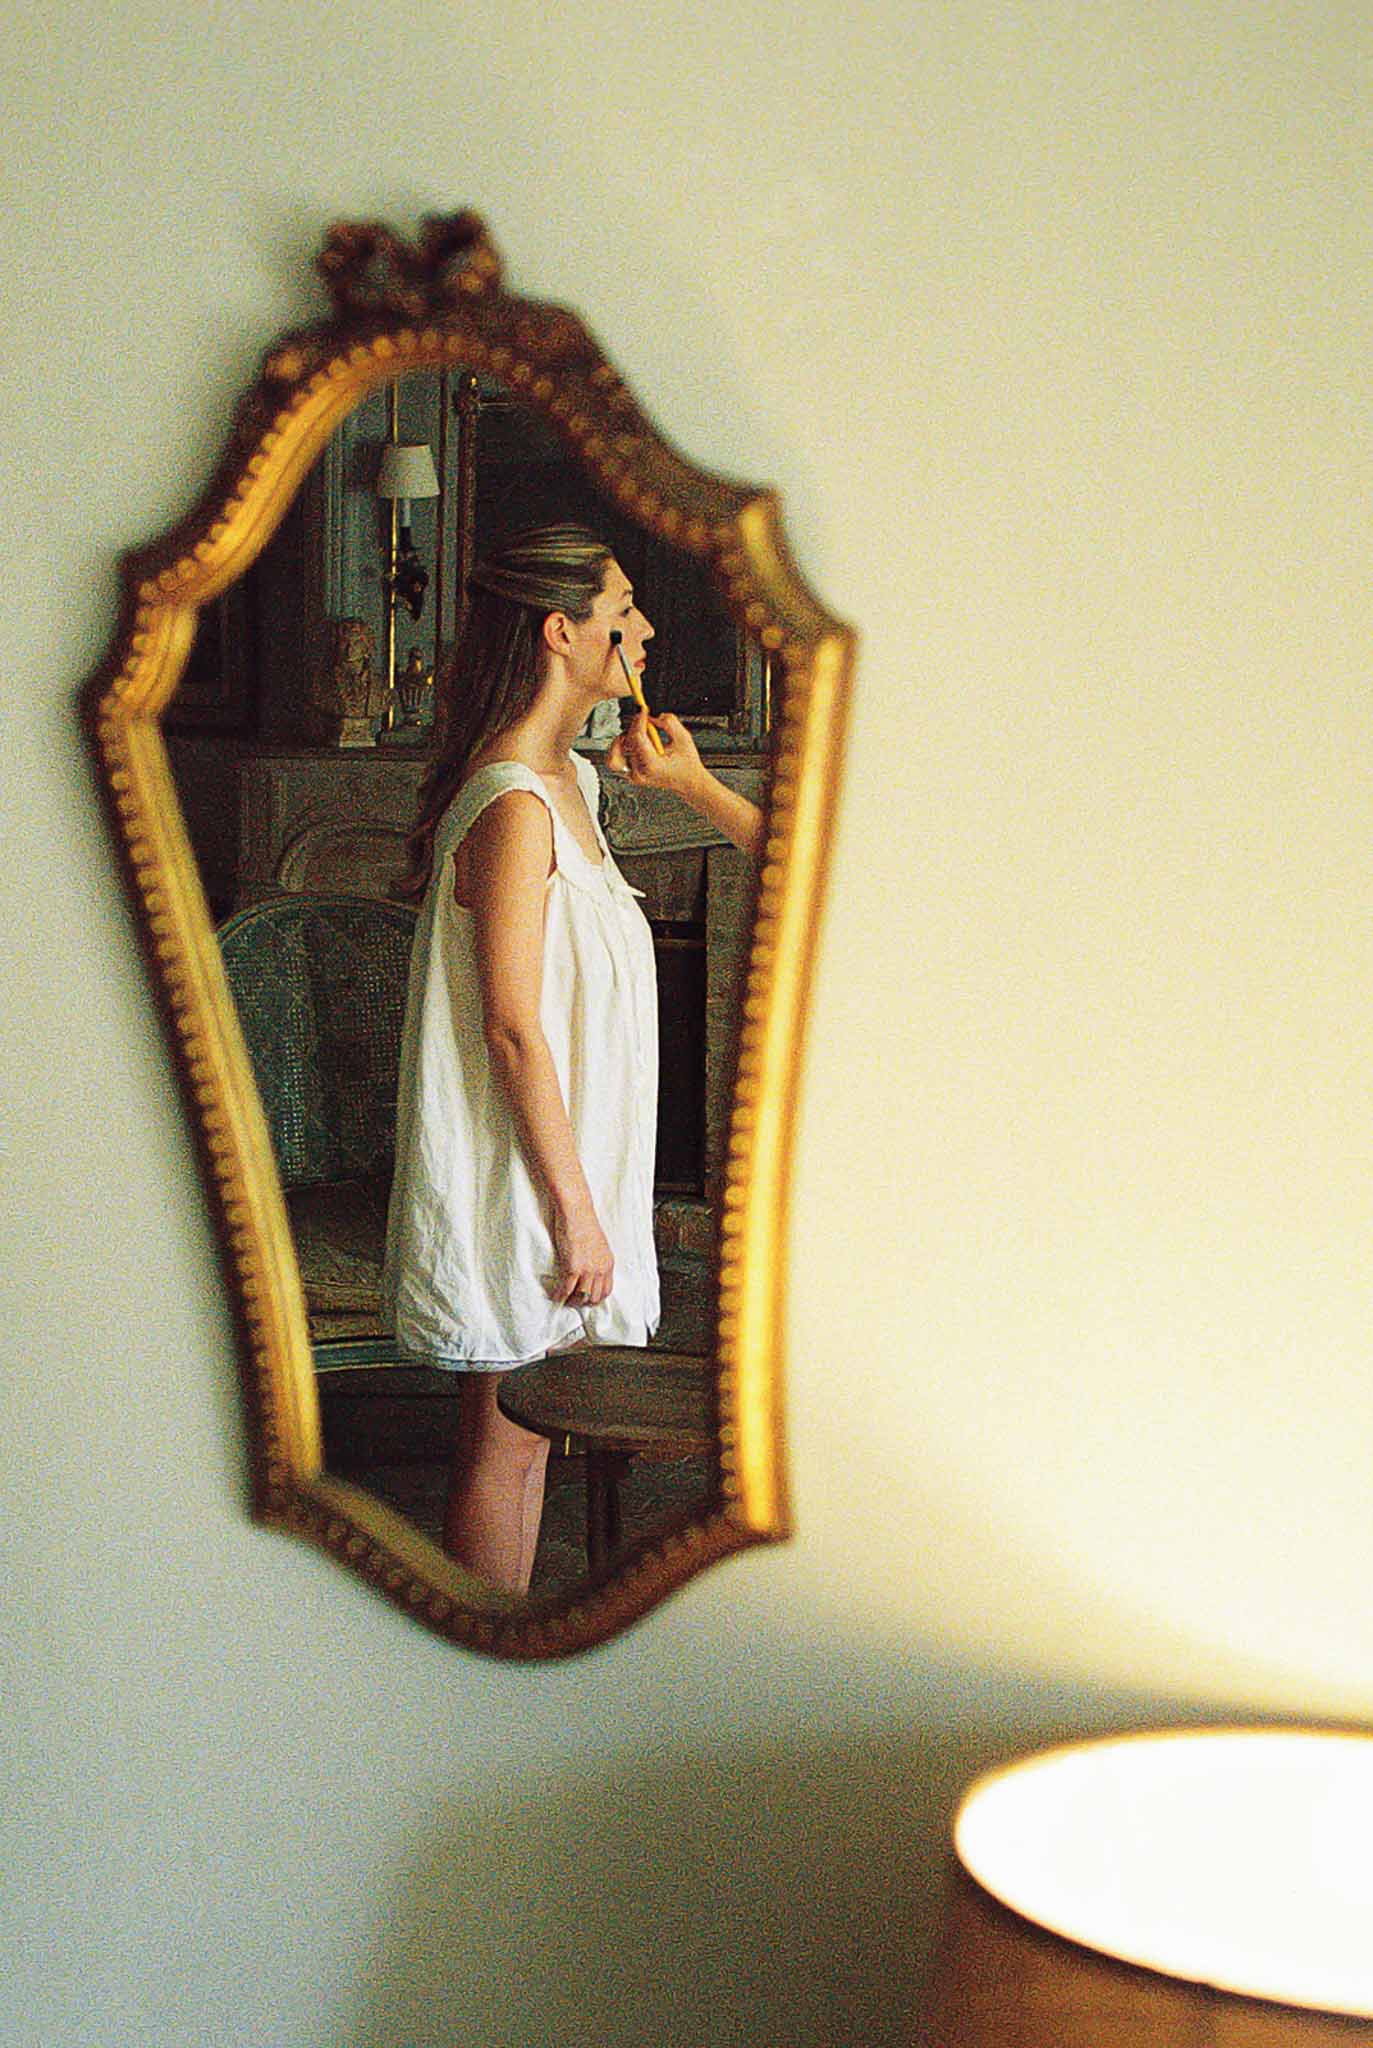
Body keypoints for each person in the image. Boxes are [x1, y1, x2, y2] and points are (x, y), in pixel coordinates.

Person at [383, 524, 663, 1593]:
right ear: (561, 631)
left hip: (569, 1159)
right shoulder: (512, 803)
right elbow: (509, 1023)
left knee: (531, 1434)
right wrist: (573, 1209)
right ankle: (474, 1663)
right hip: (526, 1175)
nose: (641, 629)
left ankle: (501, 1643)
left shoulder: (573, 785)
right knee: (503, 1439)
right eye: (621, 609)